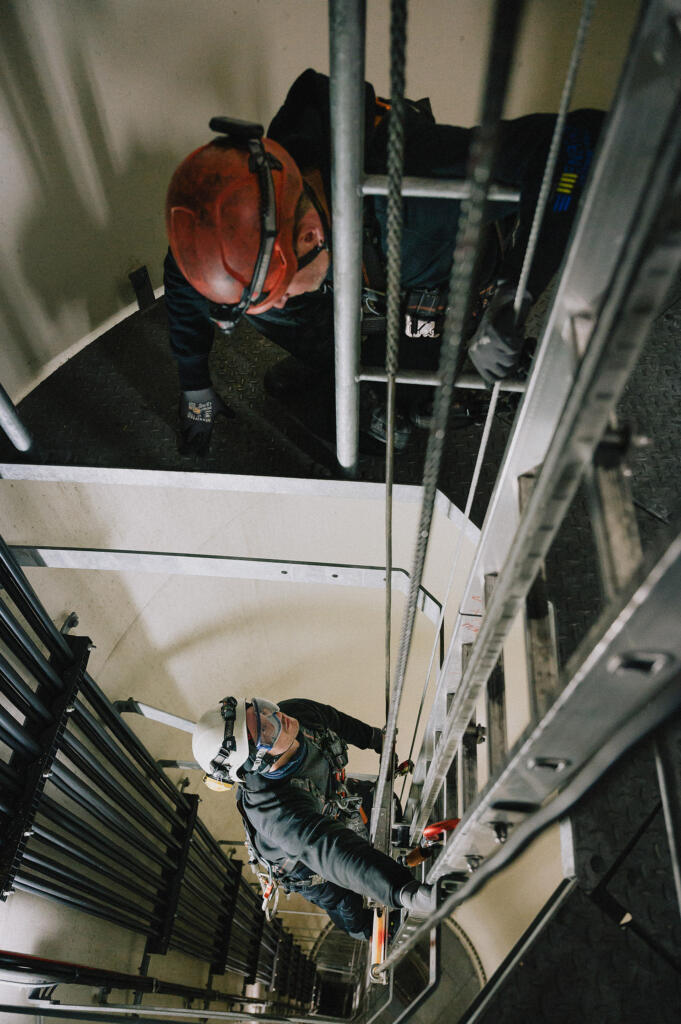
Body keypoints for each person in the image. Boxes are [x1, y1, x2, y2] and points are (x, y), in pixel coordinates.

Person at [165, 68, 604, 454]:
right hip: (356, 277)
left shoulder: (417, 189)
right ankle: (335, 364)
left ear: (310, 235)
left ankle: (397, 389)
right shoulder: (267, 191)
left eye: (277, 288)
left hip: (432, 287)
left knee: (381, 429)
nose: (278, 301)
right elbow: (189, 274)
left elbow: (580, 138)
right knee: (263, 304)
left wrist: (515, 293)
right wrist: (194, 385)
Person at [191, 694, 434, 939]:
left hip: (328, 799)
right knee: (344, 898)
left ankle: (397, 858)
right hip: (300, 863)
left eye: (262, 710)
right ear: (259, 761)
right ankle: (363, 931)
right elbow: (330, 851)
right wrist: (402, 889)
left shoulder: (296, 714)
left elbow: (334, 720)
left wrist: (374, 738)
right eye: (265, 729)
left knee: (378, 800)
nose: (277, 717)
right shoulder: (275, 810)